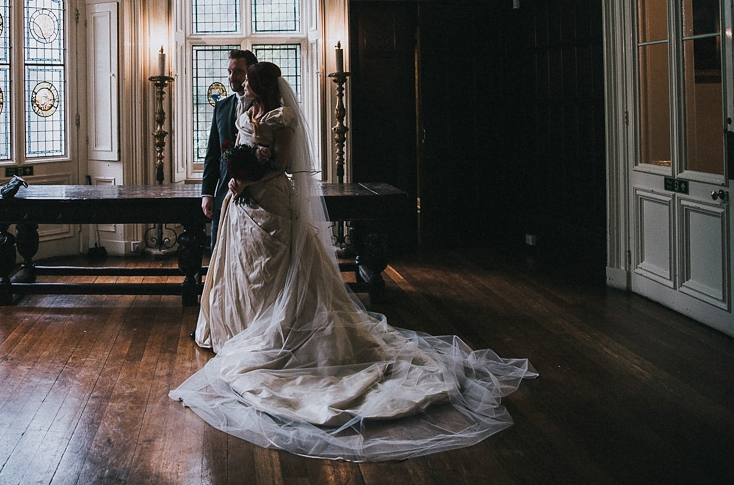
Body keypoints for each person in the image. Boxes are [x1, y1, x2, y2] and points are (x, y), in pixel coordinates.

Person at [171, 62, 537, 461]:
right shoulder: (246, 110)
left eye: (250, 80)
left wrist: (249, 177)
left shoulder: (283, 117)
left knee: (276, 275)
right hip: (243, 206)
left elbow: (281, 164)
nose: (243, 84)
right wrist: (235, 180)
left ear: (261, 86)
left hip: (271, 199)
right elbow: (230, 152)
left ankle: (279, 334)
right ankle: (238, 328)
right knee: (243, 272)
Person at [200, 49, 257, 248]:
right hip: (224, 190)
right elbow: (212, 154)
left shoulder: (266, 107)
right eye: (230, 72)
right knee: (220, 248)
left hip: (256, 193)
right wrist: (207, 193)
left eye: (238, 72)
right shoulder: (222, 107)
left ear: (250, 73)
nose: (232, 77)